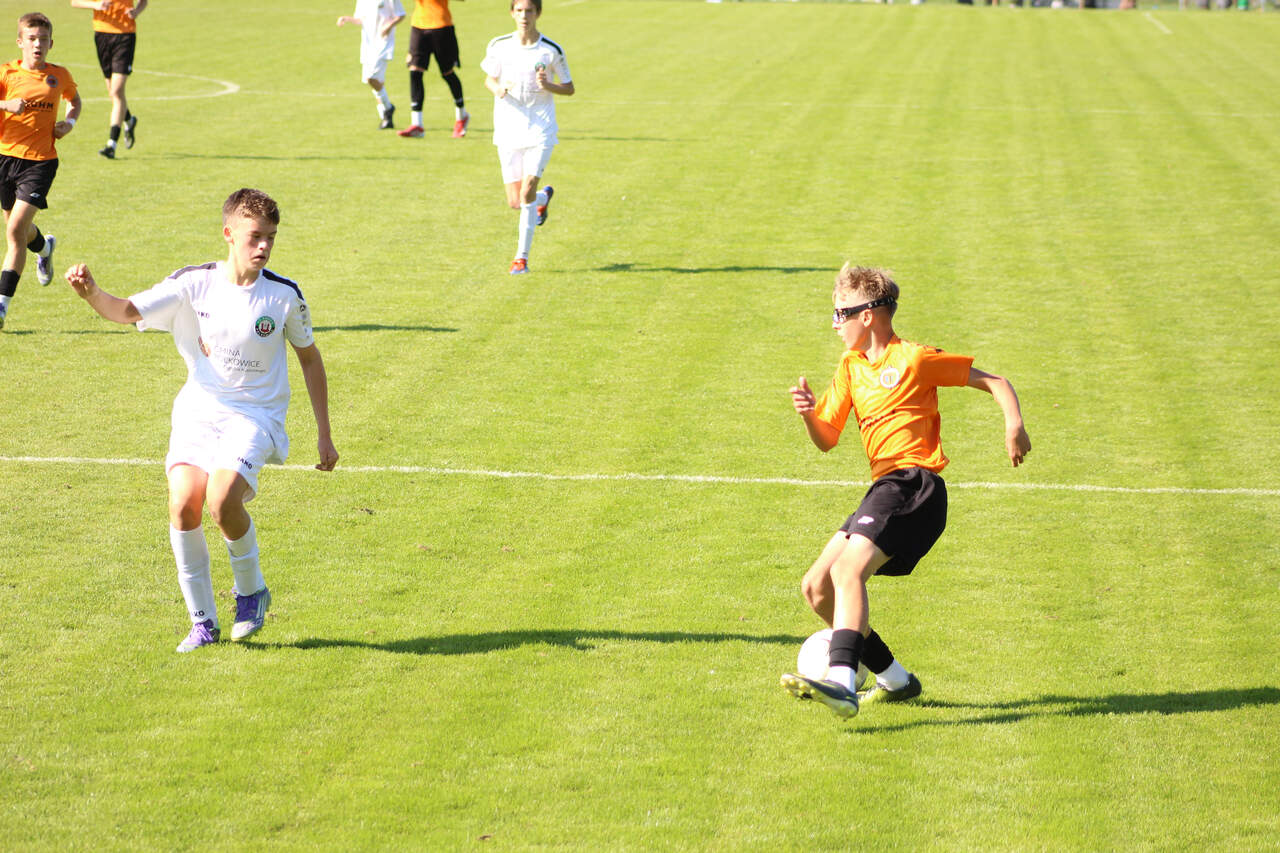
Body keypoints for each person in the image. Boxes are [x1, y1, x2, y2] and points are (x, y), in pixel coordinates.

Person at [64, 188, 340, 653]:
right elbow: (126, 311)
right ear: (229, 233)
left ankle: (251, 592)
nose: (264, 246)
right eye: (255, 236)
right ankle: (203, 622)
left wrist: (324, 435)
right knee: (183, 505)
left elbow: (310, 359)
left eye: (271, 237)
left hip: (256, 415)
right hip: (199, 409)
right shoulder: (193, 284)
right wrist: (91, 292)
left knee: (222, 500)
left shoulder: (283, 295)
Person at [780, 265, 1031, 719]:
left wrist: (1013, 424)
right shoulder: (851, 367)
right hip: (885, 489)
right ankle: (896, 680)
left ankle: (842, 684)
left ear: (868, 316)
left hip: (916, 485)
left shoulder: (913, 359)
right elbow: (827, 438)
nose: (834, 324)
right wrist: (808, 415)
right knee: (817, 588)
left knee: (847, 572)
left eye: (840, 314)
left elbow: (994, 382)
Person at [0, 12, 80, 331]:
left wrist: (69, 123)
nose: (38, 44)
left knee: (14, 230)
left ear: (51, 44)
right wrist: (6, 105)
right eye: (32, 39)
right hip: (5, 158)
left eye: (43, 39)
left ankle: (2, 305)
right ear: (20, 42)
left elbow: (75, 101)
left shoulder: (58, 75)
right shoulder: (7, 73)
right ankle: (45, 248)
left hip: (41, 161)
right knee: (17, 227)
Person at [480, 0, 573, 275]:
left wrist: (548, 85)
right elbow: (489, 79)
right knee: (516, 202)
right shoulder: (498, 45)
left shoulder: (551, 50)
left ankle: (521, 258)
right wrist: (497, 89)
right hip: (508, 128)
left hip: (540, 128)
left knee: (526, 189)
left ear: (538, 13)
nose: (524, 16)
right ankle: (542, 200)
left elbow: (569, 88)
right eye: (519, 10)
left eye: (529, 10)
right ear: (512, 13)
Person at [70, 0, 145, 159]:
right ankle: (129, 120)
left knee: (116, 91)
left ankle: (112, 144)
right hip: (102, 34)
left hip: (125, 35)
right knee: (113, 92)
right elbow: (75, 2)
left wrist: (136, 11)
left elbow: (144, 1)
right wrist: (95, 5)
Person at [396, 0, 468, 139]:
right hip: (418, 25)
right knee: (415, 72)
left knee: (447, 73)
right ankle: (417, 124)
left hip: (441, 26)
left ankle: (461, 116)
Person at [337, 0, 406, 130]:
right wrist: (347, 19)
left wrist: (389, 26)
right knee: (377, 82)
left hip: (383, 43)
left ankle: (388, 108)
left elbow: (401, 14)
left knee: (371, 78)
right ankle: (386, 119)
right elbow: (360, 19)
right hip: (368, 45)